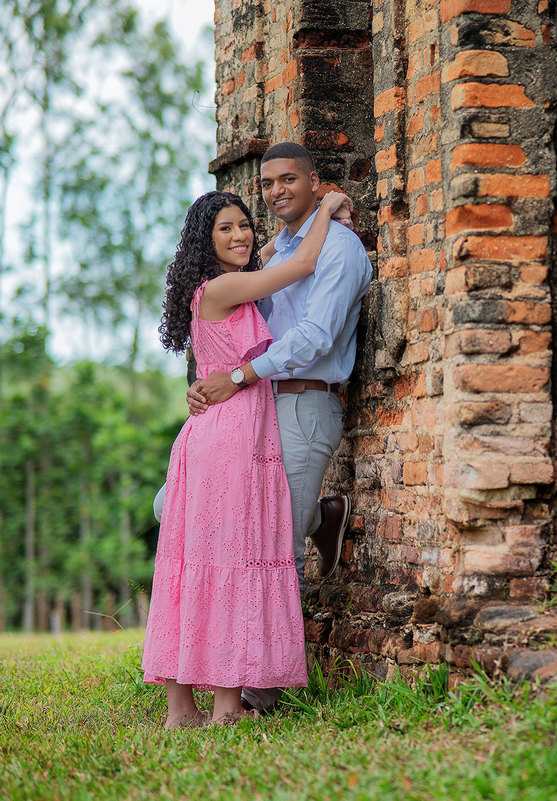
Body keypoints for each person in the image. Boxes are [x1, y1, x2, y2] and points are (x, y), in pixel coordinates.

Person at [142, 189, 351, 728]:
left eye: (244, 226)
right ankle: (229, 708)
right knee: (233, 559)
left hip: (216, 432)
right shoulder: (227, 286)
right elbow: (304, 262)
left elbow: (217, 360)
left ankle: (181, 710)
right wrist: (324, 209)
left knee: (196, 565)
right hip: (232, 439)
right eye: (225, 229)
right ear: (204, 241)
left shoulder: (212, 289)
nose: (240, 236)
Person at [185, 142, 374, 712]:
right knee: (183, 511)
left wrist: (238, 376)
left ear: (314, 181)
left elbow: (314, 337)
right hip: (251, 410)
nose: (277, 192)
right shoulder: (276, 252)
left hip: (301, 402)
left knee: (275, 545)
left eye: (290, 180)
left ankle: (255, 690)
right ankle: (324, 516)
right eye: (268, 184)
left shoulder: (338, 248)